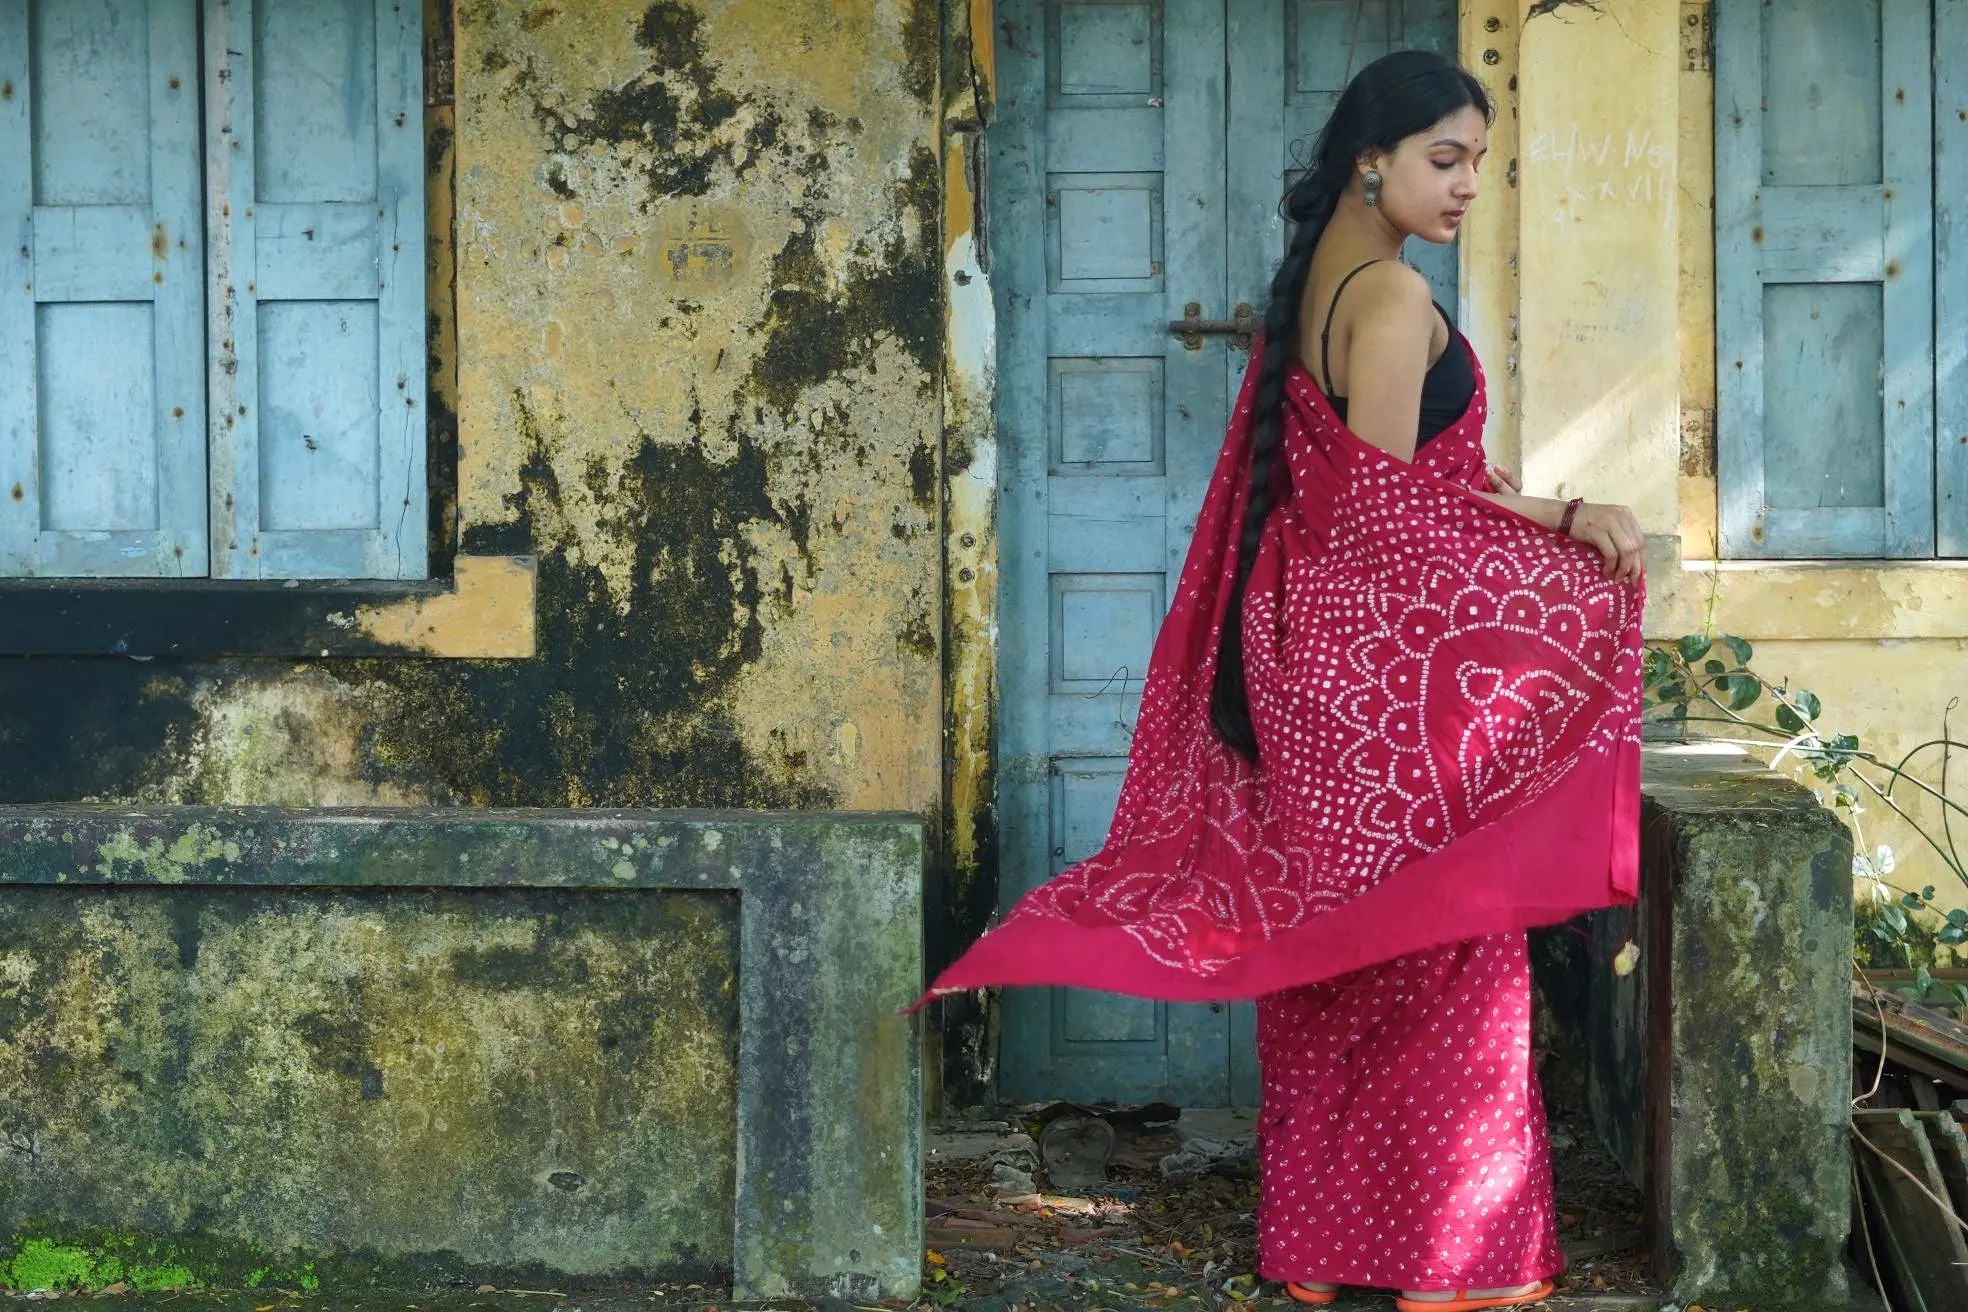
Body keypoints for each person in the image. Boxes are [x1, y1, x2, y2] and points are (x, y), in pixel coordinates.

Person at [924, 50, 1647, 1312]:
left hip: (1313, 669)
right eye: (1446, 157)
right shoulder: (1388, 299)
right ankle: (1447, 1265)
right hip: (1375, 685)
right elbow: (1392, 531)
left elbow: (1395, 495)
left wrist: (1555, 511)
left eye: (1481, 159)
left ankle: (1319, 1252)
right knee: (1447, 948)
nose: (1470, 182)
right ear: (1372, 157)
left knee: (1336, 959)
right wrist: (1569, 554)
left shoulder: (1326, 276)